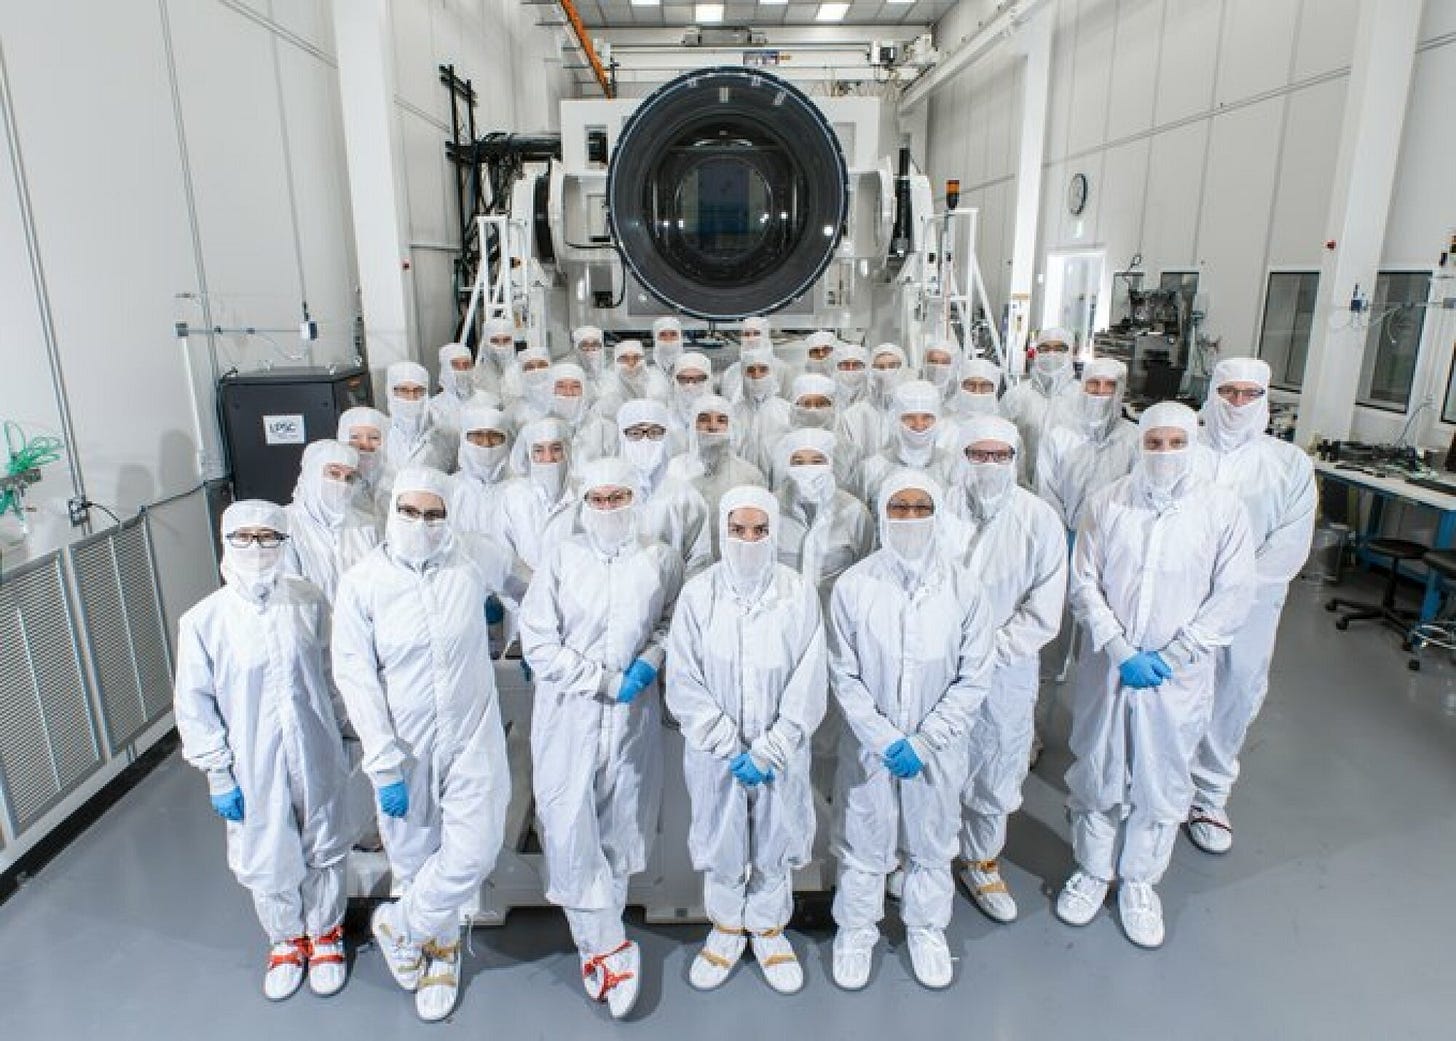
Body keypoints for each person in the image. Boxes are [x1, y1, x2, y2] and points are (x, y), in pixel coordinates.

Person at [1057, 402, 1255, 949]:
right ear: (1139, 445)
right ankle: (1094, 869)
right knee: (1098, 763)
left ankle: (1141, 881)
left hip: (1178, 674)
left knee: (1162, 775)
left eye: (1175, 443)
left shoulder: (1221, 510)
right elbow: (1085, 583)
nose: (1164, 453)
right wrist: (1120, 648)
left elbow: (1234, 593)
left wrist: (1177, 653)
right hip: (1110, 665)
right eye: (1154, 443)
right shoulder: (1108, 502)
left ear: (1193, 443)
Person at [332, 467, 519, 1021]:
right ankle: (439, 952)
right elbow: (355, 673)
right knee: (414, 854)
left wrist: (533, 635)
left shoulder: (472, 558)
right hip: (404, 742)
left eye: (435, 513)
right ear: (393, 512)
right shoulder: (363, 582)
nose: (423, 523)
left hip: (471, 733)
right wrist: (383, 760)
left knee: (475, 848)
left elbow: (529, 585)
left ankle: (401, 924)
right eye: (411, 512)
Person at [519, 457, 683, 1019]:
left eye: (619, 498)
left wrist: (651, 660)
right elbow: (539, 643)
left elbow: (670, 621)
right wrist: (601, 679)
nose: (609, 508)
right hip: (571, 712)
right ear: (583, 503)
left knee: (621, 823)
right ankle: (610, 946)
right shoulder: (562, 558)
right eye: (599, 499)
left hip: (632, 715)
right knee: (567, 827)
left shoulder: (659, 557)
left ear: (634, 499)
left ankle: (597, 944)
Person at [175, 500, 352, 1001]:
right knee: (267, 851)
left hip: (316, 748)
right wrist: (217, 772)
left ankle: (325, 935)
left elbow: (331, 676)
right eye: (244, 537)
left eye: (268, 537)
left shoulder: (309, 601)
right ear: (225, 543)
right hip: (251, 761)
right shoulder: (204, 620)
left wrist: (348, 733)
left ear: (283, 543)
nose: (256, 548)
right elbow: (194, 703)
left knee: (325, 841)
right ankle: (285, 940)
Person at [828, 471, 995, 991]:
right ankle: (856, 929)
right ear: (882, 514)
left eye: (920, 507)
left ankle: (926, 928)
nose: (909, 517)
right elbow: (843, 672)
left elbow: (974, 676)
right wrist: (882, 738)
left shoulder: (966, 587)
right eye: (898, 508)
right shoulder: (855, 585)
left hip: (938, 747)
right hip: (870, 745)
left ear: (937, 513)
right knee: (863, 837)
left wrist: (924, 740)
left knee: (933, 837)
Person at [666, 486, 827, 994]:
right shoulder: (698, 595)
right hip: (718, 755)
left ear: (775, 533)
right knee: (721, 834)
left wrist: (774, 747)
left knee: (777, 836)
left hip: (780, 753)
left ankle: (769, 928)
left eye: (760, 531)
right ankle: (726, 927)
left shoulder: (797, 592)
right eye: (738, 530)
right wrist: (726, 744)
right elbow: (684, 680)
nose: (749, 540)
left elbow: (809, 678)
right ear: (722, 531)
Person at [1189, 357, 1316, 853]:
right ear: (1212, 393)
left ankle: (1210, 794)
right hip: (1183, 598)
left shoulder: (1289, 463)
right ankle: (1165, 782)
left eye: (1249, 394)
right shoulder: (1183, 449)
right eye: (1228, 392)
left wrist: (1232, 590)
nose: (1237, 403)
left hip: (1253, 601)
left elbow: (1289, 544)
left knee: (1235, 688)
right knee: (1175, 688)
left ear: (1264, 400)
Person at [945, 417, 1067, 923]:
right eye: (978, 453)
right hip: (939, 666)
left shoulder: (1039, 519)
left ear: (1016, 460)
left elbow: (1044, 608)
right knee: (937, 760)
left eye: (1000, 456)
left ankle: (981, 860)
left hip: (1006, 668)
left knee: (996, 760)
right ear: (961, 456)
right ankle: (924, 856)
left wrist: (986, 651)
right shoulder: (934, 507)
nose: (989, 465)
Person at [1036, 357, 1139, 538]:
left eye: (1110, 385)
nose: (1100, 391)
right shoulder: (1058, 437)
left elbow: (1137, 493)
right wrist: (1059, 533)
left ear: (1120, 390)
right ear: (1083, 386)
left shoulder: (1134, 438)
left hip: (1115, 538)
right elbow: (1047, 490)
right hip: (1066, 534)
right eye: (1093, 383)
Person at [617, 399, 712, 576]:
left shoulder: (685, 496)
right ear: (622, 436)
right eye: (635, 433)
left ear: (666, 436)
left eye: (654, 432)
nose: (645, 440)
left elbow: (700, 561)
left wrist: (682, 601)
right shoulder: (606, 497)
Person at [666, 394, 767, 556]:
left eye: (721, 420)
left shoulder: (750, 476)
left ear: (732, 426)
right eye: (704, 419)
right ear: (693, 425)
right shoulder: (675, 469)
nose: (712, 427)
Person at [283, 439, 379, 600]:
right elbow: (289, 592)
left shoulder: (366, 526)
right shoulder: (285, 525)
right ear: (312, 473)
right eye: (334, 474)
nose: (342, 483)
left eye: (349, 478)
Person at [496, 418, 581, 578]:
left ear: (567, 451)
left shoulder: (583, 494)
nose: (548, 458)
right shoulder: (514, 497)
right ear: (529, 455)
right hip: (523, 598)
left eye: (556, 449)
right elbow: (505, 557)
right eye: (539, 450)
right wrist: (532, 594)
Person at [856, 379, 958, 505]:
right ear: (895, 420)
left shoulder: (952, 467)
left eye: (927, 417)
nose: (919, 425)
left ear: (937, 420)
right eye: (909, 418)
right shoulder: (872, 469)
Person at [1000, 328, 1079, 487]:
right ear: (1036, 352)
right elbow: (1000, 441)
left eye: (1059, 349)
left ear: (1072, 352)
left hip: (1069, 490)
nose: (1051, 354)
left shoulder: (1083, 398)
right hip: (1021, 489)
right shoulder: (1015, 396)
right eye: (1044, 349)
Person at [381, 361, 452, 493]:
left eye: (418, 390)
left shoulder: (444, 435)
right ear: (390, 392)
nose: (411, 397)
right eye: (403, 390)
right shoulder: (380, 435)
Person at [448, 405, 513, 543]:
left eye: (494, 435)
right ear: (464, 439)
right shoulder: (449, 489)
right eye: (477, 435)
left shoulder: (519, 489)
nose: (486, 443)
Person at [731, 347, 793, 475]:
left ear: (772, 373)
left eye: (763, 370)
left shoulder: (787, 412)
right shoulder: (732, 413)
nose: (756, 376)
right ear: (743, 375)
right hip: (742, 484)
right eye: (750, 370)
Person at [429, 342, 491, 461]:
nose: (462, 371)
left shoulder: (489, 402)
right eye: (456, 365)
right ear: (445, 368)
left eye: (466, 365)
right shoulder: (433, 407)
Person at [549, 362, 617, 466]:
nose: (568, 392)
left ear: (584, 390)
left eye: (575, 386)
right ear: (551, 391)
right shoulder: (540, 428)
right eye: (561, 386)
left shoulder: (604, 428)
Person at [669, 352, 715, 440]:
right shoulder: (664, 420)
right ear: (674, 381)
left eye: (698, 379)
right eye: (683, 379)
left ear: (709, 381)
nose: (690, 386)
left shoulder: (723, 419)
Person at [507, 347, 555, 429]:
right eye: (530, 367)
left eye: (542, 365)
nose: (536, 370)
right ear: (521, 372)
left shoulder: (561, 399)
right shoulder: (515, 410)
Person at [473, 317, 518, 400]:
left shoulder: (523, 373)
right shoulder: (476, 377)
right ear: (486, 343)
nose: (501, 346)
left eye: (506, 340)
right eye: (495, 341)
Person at [572, 324, 609, 392]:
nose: (590, 349)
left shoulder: (613, 380)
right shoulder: (569, 381)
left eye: (595, 344)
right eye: (584, 345)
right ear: (577, 349)